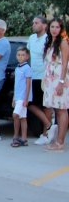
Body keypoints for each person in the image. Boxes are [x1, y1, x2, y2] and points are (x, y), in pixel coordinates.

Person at [42, 19, 69, 152]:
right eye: (52, 26)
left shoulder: (63, 43)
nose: (54, 29)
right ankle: (57, 140)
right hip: (50, 80)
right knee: (56, 110)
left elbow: (64, 64)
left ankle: (60, 142)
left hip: (59, 80)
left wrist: (61, 82)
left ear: (61, 29)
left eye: (57, 27)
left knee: (62, 109)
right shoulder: (50, 42)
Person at [28, 16, 54, 144]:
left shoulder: (48, 39)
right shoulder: (32, 38)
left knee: (46, 106)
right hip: (32, 76)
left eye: (36, 23)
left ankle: (46, 134)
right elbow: (28, 56)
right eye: (33, 23)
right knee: (30, 103)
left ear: (44, 25)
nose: (34, 25)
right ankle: (49, 124)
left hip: (44, 77)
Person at [12, 46, 32, 147]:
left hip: (23, 97)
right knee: (23, 117)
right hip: (18, 97)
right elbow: (16, 84)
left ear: (27, 56)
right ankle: (24, 139)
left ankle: (16, 136)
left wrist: (26, 98)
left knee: (15, 115)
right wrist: (14, 98)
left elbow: (28, 84)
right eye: (19, 55)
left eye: (23, 55)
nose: (20, 57)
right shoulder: (17, 68)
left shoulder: (27, 68)